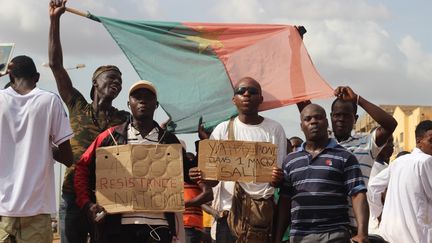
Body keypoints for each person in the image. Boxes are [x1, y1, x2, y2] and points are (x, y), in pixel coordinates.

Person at [49, 1, 130, 242]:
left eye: (120, 81)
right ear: (95, 82)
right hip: (73, 197)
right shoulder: (77, 105)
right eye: (111, 77)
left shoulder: (123, 119)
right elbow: (55, 65)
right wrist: (55, 20)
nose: (117, 82)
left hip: (109, 199)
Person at [74, 80, 186, 243]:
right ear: (128, 104)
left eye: (148, 97)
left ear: (156, 105)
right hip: (117, 230)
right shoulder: (110, 137)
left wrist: (198, 174)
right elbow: (82, 167)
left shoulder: (169, 141)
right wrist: (87, 204)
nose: (142, 101)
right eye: (137, 97)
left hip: (158, 229)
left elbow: (191, 176)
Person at [191, 77, 287, 243]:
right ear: (234, 99)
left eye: (253, 91)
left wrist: (277, 179)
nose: (247, 94)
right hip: (228, 216)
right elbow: (212, 181)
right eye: (241, 91)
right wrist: (202, 175)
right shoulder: (222, 130)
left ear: (261, 99)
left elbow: (279, 176)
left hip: (261, 217)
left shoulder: (275, 129)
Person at [0, 56, 74, 243]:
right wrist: (46, 146)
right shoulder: (50, 101)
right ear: (37, 77)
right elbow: (67, 157)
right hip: (37, 210)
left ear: (9, 76)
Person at [275, 103, 369, 243]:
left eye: (318, 117)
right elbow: (285, 201)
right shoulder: (290, 161)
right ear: (301, 126)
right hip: (300, 236)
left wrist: (362, 233)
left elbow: (358, 195)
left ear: (326, 122)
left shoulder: (345, 157)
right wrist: (277, 238)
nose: (313, 121)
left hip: (335, 235)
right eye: (308, 119)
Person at [368, 120, 432, 243]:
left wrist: (378, 214)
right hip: (415, 237)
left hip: (388, 236)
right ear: (419, 142)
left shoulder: (398, 161)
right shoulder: (427, 161)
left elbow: (373, 186)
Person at [183, 152, 213, 243]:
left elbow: (208, 194)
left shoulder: (195, 177)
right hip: (178, 225)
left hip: (190, 224)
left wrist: (184, 204)